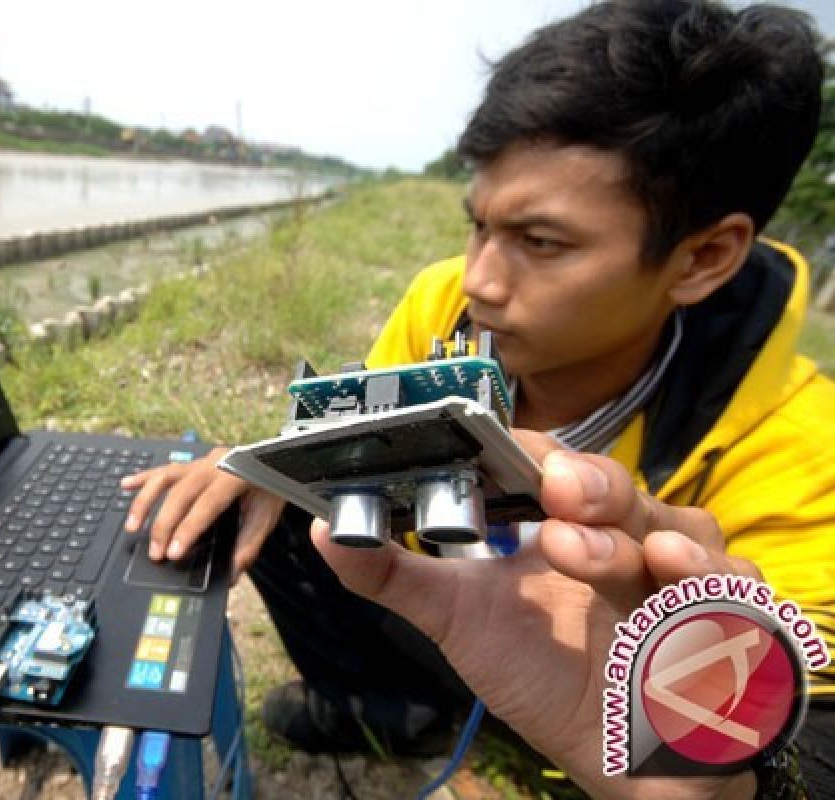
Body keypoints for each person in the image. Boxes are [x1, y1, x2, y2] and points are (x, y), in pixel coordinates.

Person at [122, 0, 835, 795]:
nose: (481, 280)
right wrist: (267, 466)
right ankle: (379, 707)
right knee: (270, 504)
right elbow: (358, 446)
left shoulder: (805, 456)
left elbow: (819, 744)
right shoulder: (444, 307)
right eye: (479, 227)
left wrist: (715, 773)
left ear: (702, 256)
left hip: (594, 698)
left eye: (542, 242)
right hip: (439, 610)